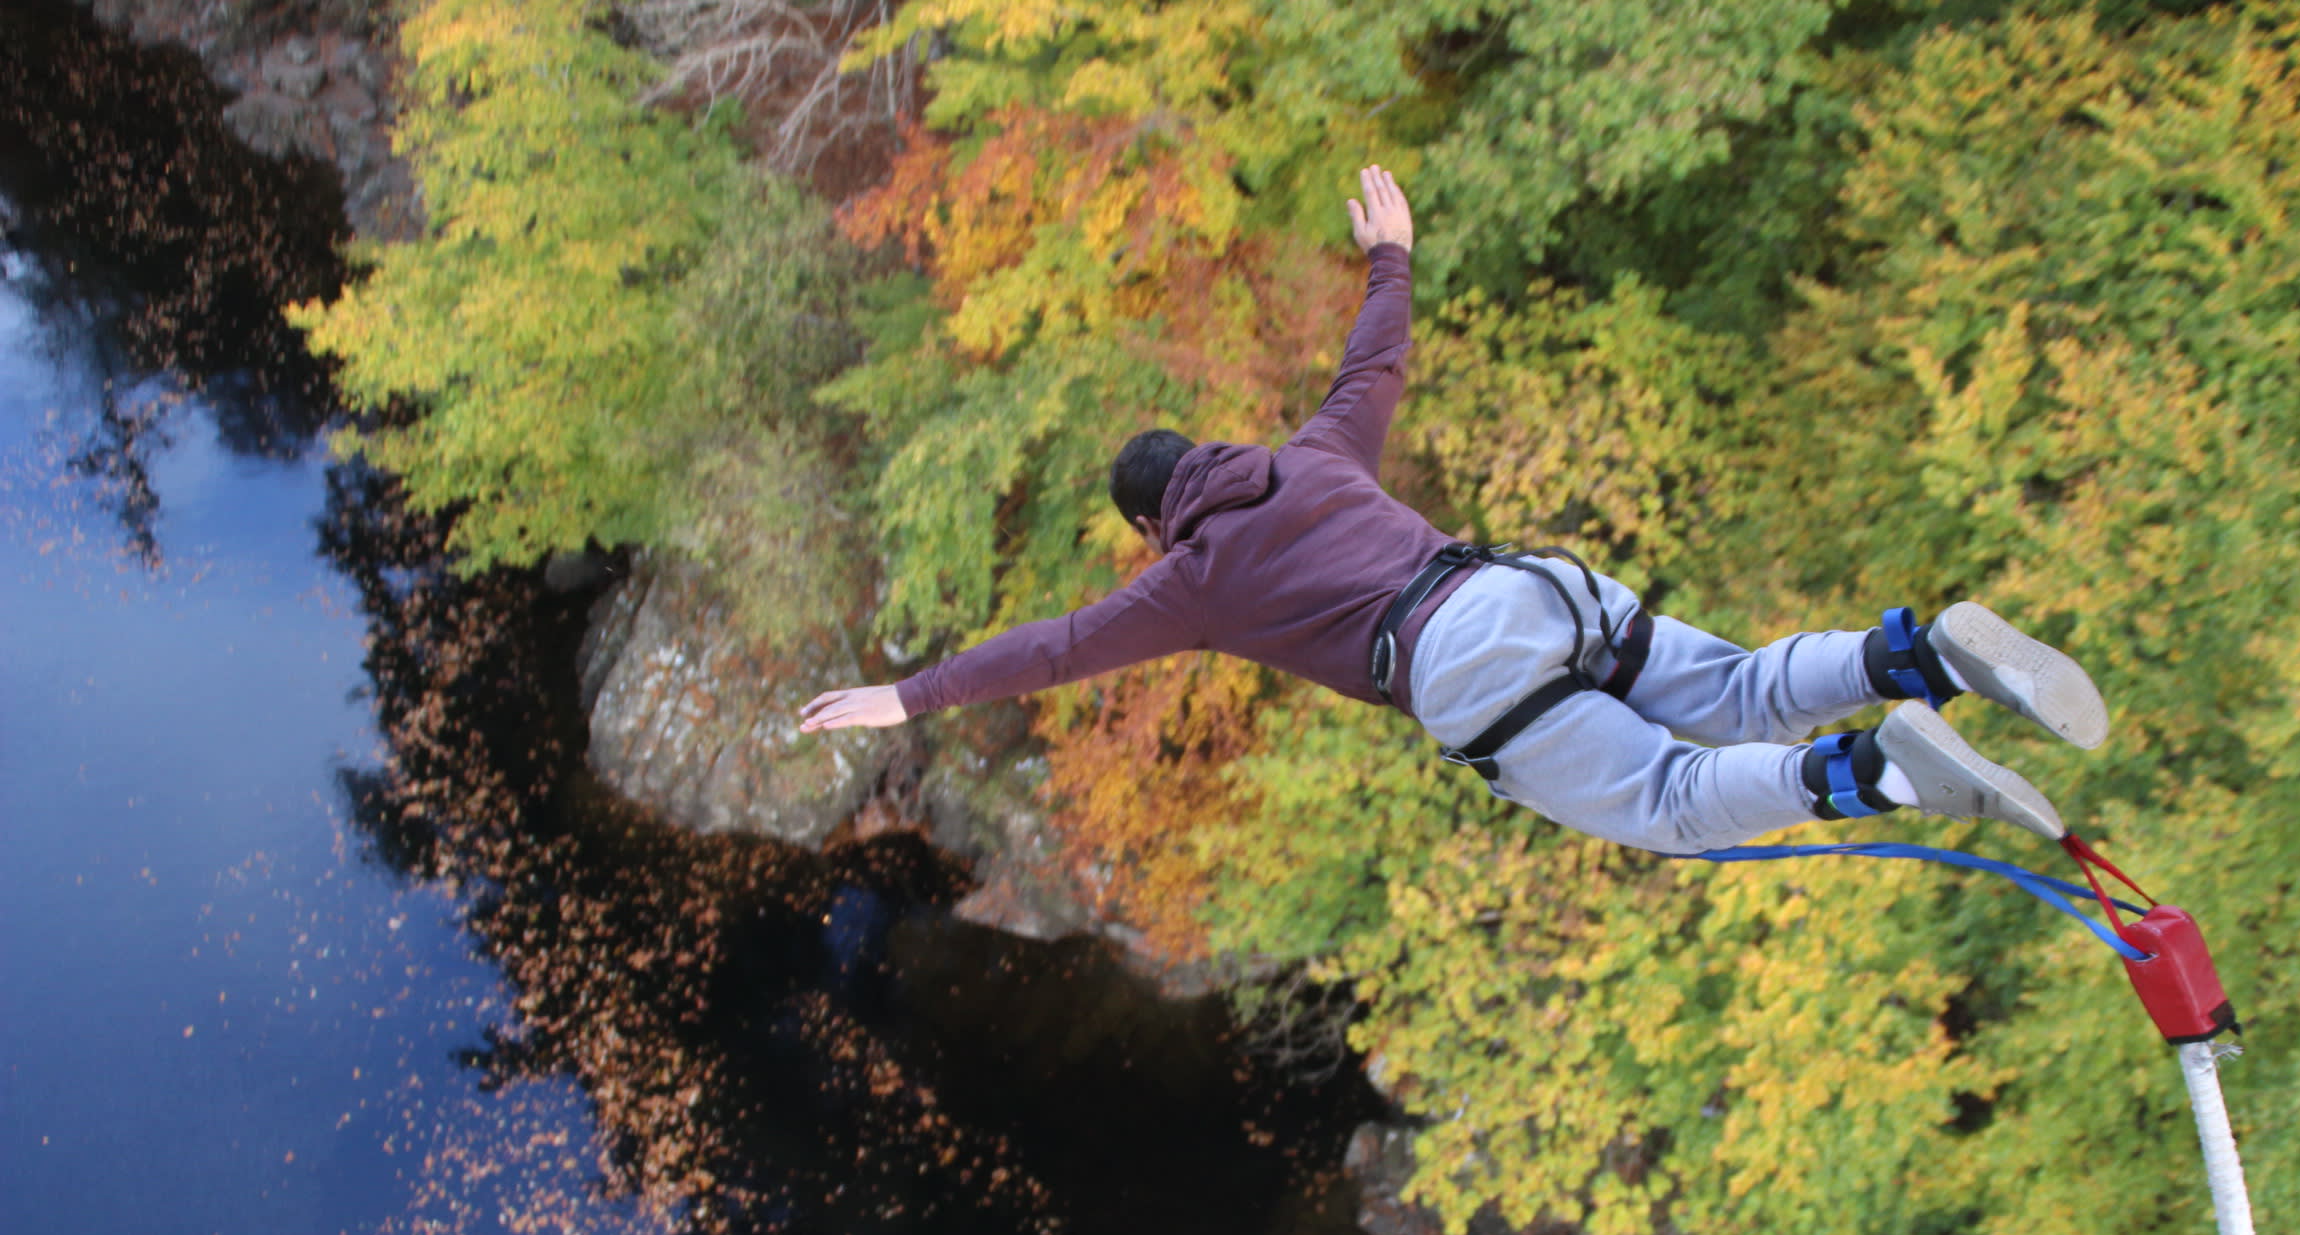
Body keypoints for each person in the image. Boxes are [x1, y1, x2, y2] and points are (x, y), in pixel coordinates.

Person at [799, 166, 2107, 853]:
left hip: (1458, 668)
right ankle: (1920, 659)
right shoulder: (1311, 457)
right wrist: (1393, 251)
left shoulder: (1188, 582)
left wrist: (906, 698)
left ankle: (1878, 767)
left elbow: (1059, 650)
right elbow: (1376, 362)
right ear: (1206, 450)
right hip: (1531, 586)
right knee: (1744, 687)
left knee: (1669, 799)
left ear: (1155, 527)